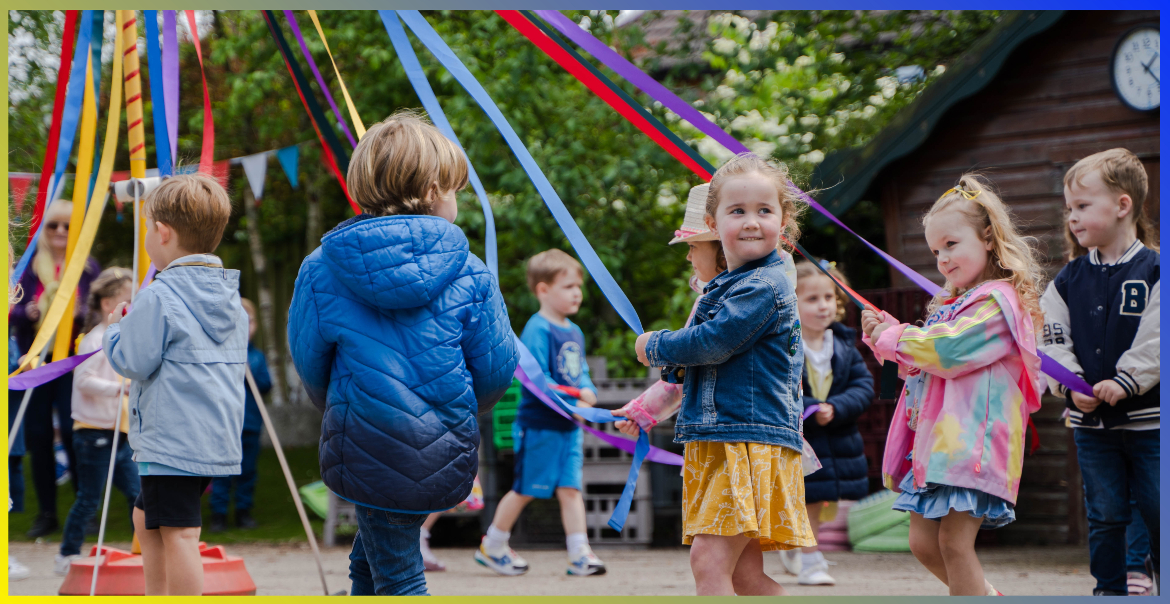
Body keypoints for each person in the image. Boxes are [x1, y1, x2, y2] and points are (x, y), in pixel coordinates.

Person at [288, 110, 518, 596]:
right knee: (382, 563)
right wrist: (450, 408)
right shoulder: (471, 272)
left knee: (393, 567)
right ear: (434, 190)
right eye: (455, 189)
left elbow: (309, 361)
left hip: (364, 437)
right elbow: (497, 367)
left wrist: (341, 405)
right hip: (440, 437)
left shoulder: (321, 268)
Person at [632, 153, 814, 596]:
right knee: (744, 576)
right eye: (738, 211)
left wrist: (653, 345)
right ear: (713, 223)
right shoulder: (728, 285)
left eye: (764, 210)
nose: (752, 221)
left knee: (709, 560)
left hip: (745, 439)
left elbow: (713, 343)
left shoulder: (763, 285)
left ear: (784, 221)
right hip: (727, 437)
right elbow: (704, 361)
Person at [860, 175, 1046, 596]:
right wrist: (885, 336)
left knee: (953, 543)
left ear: (988, 238)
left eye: (951, 244)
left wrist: (898, 336)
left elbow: (950, 352)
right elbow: (924, 369)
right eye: (935, 250)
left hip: (971, 443)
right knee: (923, 543)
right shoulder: (951, 307)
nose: (942, 258)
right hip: (939, 445)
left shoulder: (999, 302)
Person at [104, 173, 246, 596]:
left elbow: (134, 360)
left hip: (172, 440)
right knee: (146, 518)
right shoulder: (229, 297)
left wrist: (117, 330)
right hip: (211, 435)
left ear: (162, 233)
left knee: (180, 533)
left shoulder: (160, 295)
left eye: (148, 226)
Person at [1038, 148, 1159, 596]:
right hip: (1092, 425)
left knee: (1158, 506)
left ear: (1122, 205)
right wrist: (1072, 386)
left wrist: (1126, 380)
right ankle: (1108, 590)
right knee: (1105, 513)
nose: (1072, 217)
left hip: (1152, 424)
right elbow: (1050, 338)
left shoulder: (1156, 269)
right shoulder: (1067, 281)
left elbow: (1158, 337)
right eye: (1069, 208)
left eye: (1083, 206)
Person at [475, 249, 605, 578]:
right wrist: (578, 397)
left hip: (568, 427)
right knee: (525, 489)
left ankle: (579, 554)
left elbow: (581, 374)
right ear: (543, 290)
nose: (577, 292)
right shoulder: (538, 329)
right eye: (568, 286)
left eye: (579, 286)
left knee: (571, 489)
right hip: (540, 426)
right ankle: (493, 544)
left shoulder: (574, 331)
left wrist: (588, 393)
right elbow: (538, 381)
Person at [777, 260, 874, 586]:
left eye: (829, 298)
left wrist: (836, 406)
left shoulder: (844, 345)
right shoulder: (784, 346)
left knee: (818, 500)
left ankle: (805, 552)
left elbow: (864, 387)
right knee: (802, 500)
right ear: (793, 303)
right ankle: (809, 558)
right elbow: (775, 388)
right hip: (800, 438)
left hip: (835, 438)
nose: (823, 306)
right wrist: (809, 408)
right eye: (812, 299)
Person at [9, 200, 101, 538]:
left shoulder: (87, 267)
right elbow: (12, 309)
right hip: (35, 360)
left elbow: (99, 310)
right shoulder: (30, 268)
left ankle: (85, 507)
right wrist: (27, 313)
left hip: (73, 362)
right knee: (37, 435)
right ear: (43, 231)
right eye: (53, 226)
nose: (60, 232)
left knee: (76, 430)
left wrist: (81, 312)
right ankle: (46, 512)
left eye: (67, 225)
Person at [55, 268, 142, 575]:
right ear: (109, 305)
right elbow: (84, 381)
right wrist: (121, 388)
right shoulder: (94, 340)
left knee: (138, 495)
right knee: (90, 498)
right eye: (128, 301)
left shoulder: (119, 340)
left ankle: (145, 551)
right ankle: (67, 554)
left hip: (119, 433)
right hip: (93, 434)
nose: (134, 306)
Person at [209, 297, 270, 533]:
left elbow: (266, 384)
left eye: (250, 322)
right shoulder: (219, 354)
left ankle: (244, 512)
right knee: (222, 471)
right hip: (224, 423)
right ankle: (218, 514)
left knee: (248, 470)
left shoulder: (257, 357)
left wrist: (250, 373)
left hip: (250, 423)